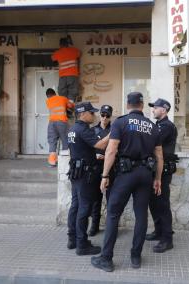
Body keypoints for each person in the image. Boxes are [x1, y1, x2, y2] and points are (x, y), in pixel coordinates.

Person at [91, 92, 164, 272]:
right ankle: (135, 257)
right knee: (141, 216)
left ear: (127, 104)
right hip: (145, 175)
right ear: (141, 105)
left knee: (113, 214)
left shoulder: (120, 122)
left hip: (125, 174)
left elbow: (111, 150)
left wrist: (105, 176)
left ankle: (106, 259)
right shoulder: (152, 126)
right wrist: (158, 179)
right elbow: (159, 156)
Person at [67, 102, 110, 256]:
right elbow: (101, 144)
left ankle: (72, 239)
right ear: (82, 114)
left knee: (75, 206)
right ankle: (82, 245)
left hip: (76, 172)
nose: (94, 115)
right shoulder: (83, 129)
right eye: (91, 113)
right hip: (84, 175)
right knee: (84, 209)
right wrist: (114, 132)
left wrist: (93, 156)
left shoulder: (72, 129)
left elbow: (79, 150)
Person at [146, 98, 178, 253]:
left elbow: (151, 142)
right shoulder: (158, 125)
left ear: (164, 110)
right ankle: (158, 231)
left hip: (163, 171)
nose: (153, 110)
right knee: (154, 202)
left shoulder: (167, 127)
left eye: (155, 108)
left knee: (162, 204)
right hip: (155, 169)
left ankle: (167, 239)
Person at [89, 105, 113, 236]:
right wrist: (95, 155)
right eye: (102, 114)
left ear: (110, 116)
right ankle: (94, 226)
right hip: (96, 167)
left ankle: (111, 228)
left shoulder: (115, 130)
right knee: (95, 199)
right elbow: (88, 149)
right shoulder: (93, 130)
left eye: (107, 115)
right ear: (99, 115)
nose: (104, 118)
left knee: (111, 200)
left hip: (110, 169)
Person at [45, 88, 74, 167]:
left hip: (51, 123)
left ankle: (52, 162)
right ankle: (65, 161)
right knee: (65, 140)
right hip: (62, 122)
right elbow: (71, 106)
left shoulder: (47, 101)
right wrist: (70, 102)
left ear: (48, 96)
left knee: (52, 141)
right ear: (55, 93)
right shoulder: (63, 98)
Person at [51, 37, 81, 103]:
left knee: (62, 92)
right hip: (73, 75)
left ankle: (64, 104)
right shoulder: (74, 50)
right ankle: (70, 105)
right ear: (68, 44)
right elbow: (79, 53)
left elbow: (52, 58)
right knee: (72, 92)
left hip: (63, 76)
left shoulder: (58, 53)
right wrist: (71, 45)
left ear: (60, 44)